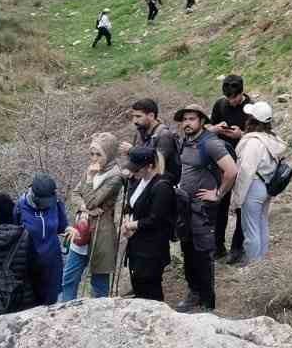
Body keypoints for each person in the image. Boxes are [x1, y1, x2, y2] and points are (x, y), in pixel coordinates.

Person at [172, 105, 237, 313]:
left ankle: (208, 303)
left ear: (201, 121)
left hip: (203, 209)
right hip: (186, 206)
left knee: (203, 253)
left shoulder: (211, 143)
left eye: (191, 119)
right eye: (184, 119)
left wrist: (217, 194)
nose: (187, 123)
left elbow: (231, 170)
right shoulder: (187, 142)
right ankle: (194, 293)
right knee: (188, 250)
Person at [61, 134, 121, 301]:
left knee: (99, 282)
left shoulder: (115, 177)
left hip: (102, 233)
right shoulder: (92, 169)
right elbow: (75, 194)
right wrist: (85, 208)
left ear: (108, 154)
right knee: (69, 277)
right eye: (92, 154)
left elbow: (92, 200)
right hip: (82, 227)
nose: (94, 159)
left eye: (98, 154)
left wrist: (89, 179)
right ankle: (66, 312)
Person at [231, 102, 285, 264]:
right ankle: (261, 262)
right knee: (261, 224)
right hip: (266, 186)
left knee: (251, 229)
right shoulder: (271, 138)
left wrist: (236, 199)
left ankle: (253, 266)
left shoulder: (253, 142)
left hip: (253, 187)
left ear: (253, 120)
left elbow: (245, 171)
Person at [121, 147, 176, 302]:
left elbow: (156, 219)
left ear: (150, 166)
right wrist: (127, 219)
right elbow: (130, 205)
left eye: (137, 169)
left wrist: (132, 225)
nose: (134, 172)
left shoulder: (162, 187)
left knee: (150, 287)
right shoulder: (139, 182)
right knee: (137, 281)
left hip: (152, 247)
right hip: (137, 243)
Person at [208, 76, 252, 265]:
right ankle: (218, 247)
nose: (231, 101)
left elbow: (261, 135)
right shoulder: (220, 105)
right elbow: (208, 126)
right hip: (223, 161)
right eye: (228, 98)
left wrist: (241, 134)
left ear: (242, 93)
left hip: (244, 161)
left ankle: (237, 248)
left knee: (241, 205)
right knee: (220, 203)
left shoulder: (252, 109)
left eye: (234, 98)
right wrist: (217, 129)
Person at [14, 174, 67, 307]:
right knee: (32, 306)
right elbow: (13, 235)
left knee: (53, 305)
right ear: (35, 197)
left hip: (52, 264)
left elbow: (62, 226)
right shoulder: (20, 207)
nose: (47, 205)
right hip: (29, 266)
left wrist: (69, 230)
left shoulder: (56, 203)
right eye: (45, 202)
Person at [126, 99, 180, 185]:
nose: (134, 121)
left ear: (151, 116)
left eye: (138, 116)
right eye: (133, 116)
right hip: (143, 182)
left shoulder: (164, 135)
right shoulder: (140, 132)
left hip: (161, 186)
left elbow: (158, 160)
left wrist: (132, 150)